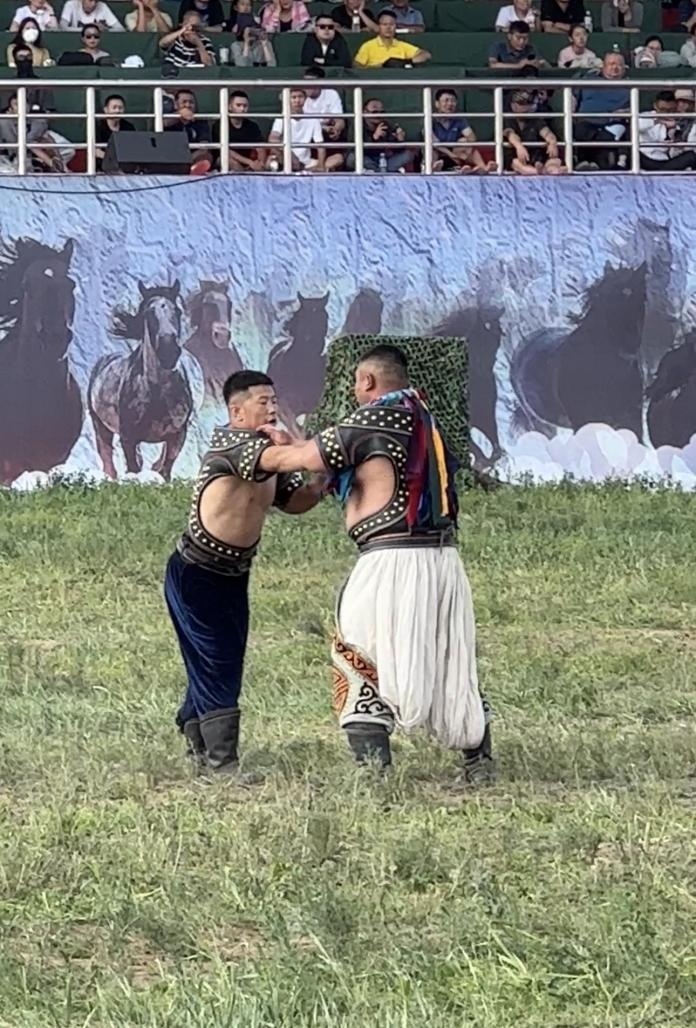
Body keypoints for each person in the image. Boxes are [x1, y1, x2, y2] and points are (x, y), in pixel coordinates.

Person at [256, 345, 493, 781]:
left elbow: (301, 459)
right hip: (442, 559)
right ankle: (479, 762)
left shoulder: (375, 417)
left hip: (392, 561)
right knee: (447, 654)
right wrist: (300, 446)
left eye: (355, 383)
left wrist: (244, 452)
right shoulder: (420, 417)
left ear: (367, 381)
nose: (354, 391)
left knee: (358, 651)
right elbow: (324, 453)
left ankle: (374, 771)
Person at [164, 370, 325, 774]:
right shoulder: (233, 446)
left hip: (232, 574)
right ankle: (222, 762)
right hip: (197, 574)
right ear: (237, 411)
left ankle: (199, 742)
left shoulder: (266, 453)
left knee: (219, 658)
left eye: (274, 401)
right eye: (262, 402)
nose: (272, 408)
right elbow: (290, 458)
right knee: (218, 660)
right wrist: (333, 446)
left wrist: (322, 481)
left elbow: (295, 501)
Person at [638, 90, 696, 170]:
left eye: (670, 110)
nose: (666, 113)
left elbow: (674, 152)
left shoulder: (676, 122)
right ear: (655, 106)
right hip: (646, 158)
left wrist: (674, 143)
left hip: (664, 160)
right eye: (662, 109)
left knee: (691, 156)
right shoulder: (646, 116)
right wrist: (659, 120)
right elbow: (636, 127)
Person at [354, 10, 430, 67]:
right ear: (379, 26)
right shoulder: (368, 46)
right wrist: (379, 67)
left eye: (391, 24)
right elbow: (356, 65)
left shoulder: (402, 45)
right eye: (385, 24)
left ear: (395, 26)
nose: (388, 27)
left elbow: (425, 54)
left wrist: (406, 62)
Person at [212, 89, 265, 170]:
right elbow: (226, 151)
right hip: (225, 159)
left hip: (249, 162)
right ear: (229, 106)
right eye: (238, 105)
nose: (242, 109)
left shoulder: (252, 126)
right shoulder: (220, 125)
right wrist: (250, 162)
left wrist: (260, 162)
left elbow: (260, 148)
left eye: (245, 106)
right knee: (230, 162)